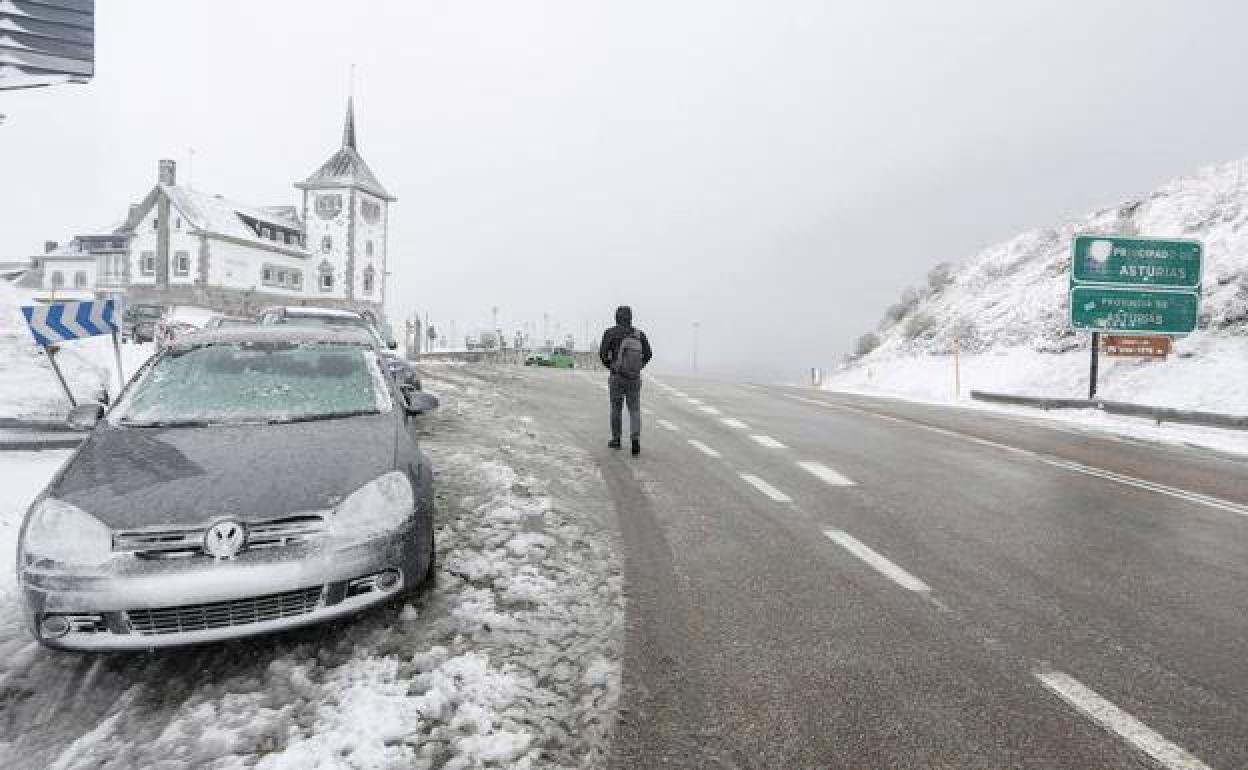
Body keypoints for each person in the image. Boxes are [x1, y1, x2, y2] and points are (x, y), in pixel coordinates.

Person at [599, 306, 653, 455]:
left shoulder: (610, 333)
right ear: (630, 318)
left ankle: (616, 440)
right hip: (634, 378)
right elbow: (649, 354)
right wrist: (638, 367)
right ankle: (635, 439)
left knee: (616, 408)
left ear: (616, 317)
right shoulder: (639, 334)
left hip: (617, 377)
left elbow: (602, 354)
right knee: (634, 409)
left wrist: (611, 367)